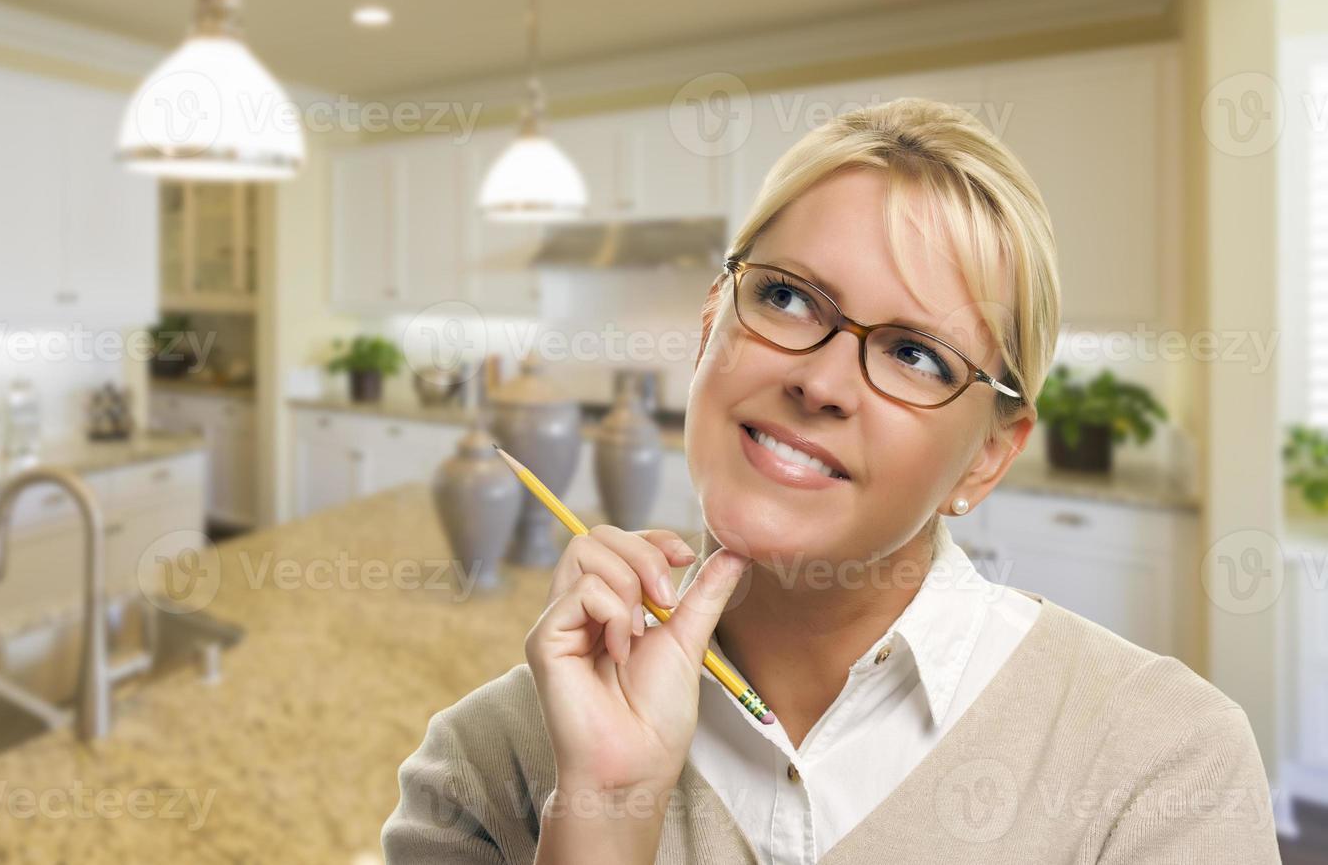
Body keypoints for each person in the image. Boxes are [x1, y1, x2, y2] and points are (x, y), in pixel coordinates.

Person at [381, 98, 1279, 864]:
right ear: (709, 329)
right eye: (786, 298)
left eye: (917, 354)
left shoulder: (1161, 766)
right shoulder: (483, 767)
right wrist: (607, 817)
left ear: (988, 456)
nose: (818, 380)